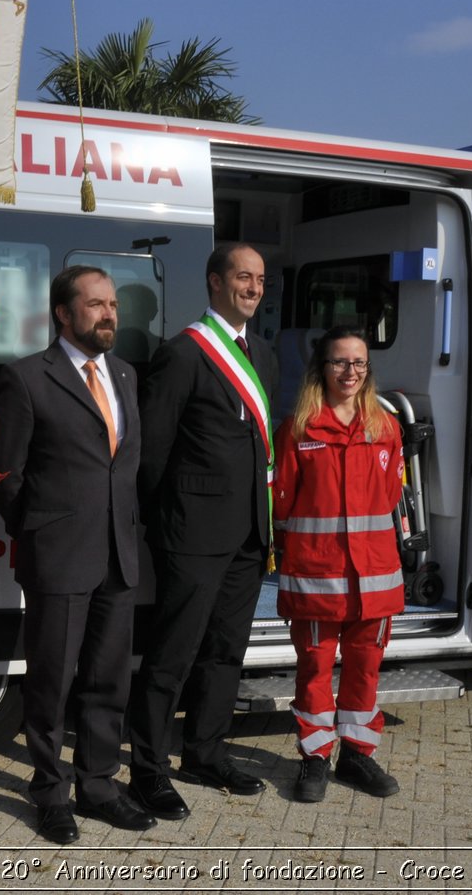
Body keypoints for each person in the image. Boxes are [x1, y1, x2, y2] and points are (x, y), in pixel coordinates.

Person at [0, 265, 157, 844]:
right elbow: (4, 474)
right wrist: (37, 529)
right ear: (63, 313)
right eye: (95, 304)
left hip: (119, 554)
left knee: (108, 682)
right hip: (58, 554)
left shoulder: (127, 375)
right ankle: (51, 793)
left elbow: (124, 467)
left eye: (113, 304)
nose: (109, 313)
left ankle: (100, 786)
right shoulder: (28, 377)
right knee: (53, 682)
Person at [129, 242, 280, 819]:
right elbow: (152, 450)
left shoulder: (263, 355)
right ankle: (148, 768)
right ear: (215, 282)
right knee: (173, 656)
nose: (254, 287)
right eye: (244, 276)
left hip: (248, 534)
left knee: (225, 654)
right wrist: (162, 522)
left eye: (261, 279)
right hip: (191, 535)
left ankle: (205, 751)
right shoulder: (183, 353)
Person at [274, 326, 405, 801]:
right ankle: (313, 760)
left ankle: (356, 757)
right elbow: (282, 504)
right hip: (318, 575)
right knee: (314, 669)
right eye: (339, 362)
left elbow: (390, 497)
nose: (350, 371)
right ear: (321, 368)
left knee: (365, 669)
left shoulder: (386, 429)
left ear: (368, 370)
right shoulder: (299, 430)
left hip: (374, 576)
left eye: (359, 363)